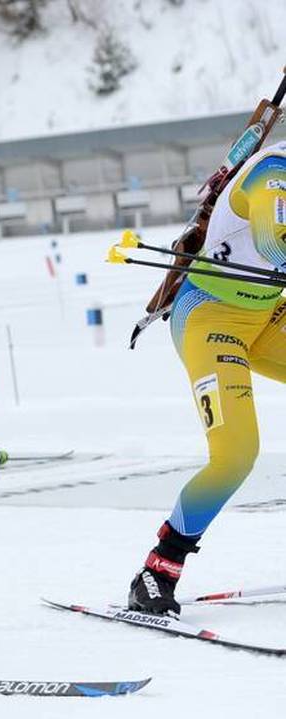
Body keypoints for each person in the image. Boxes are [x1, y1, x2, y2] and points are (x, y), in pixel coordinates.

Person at [128, 140, 286, 616]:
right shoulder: (273, 173)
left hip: (268, 314)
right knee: (235, 456)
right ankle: (156, 571)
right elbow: (271, 240)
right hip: (211, 319)